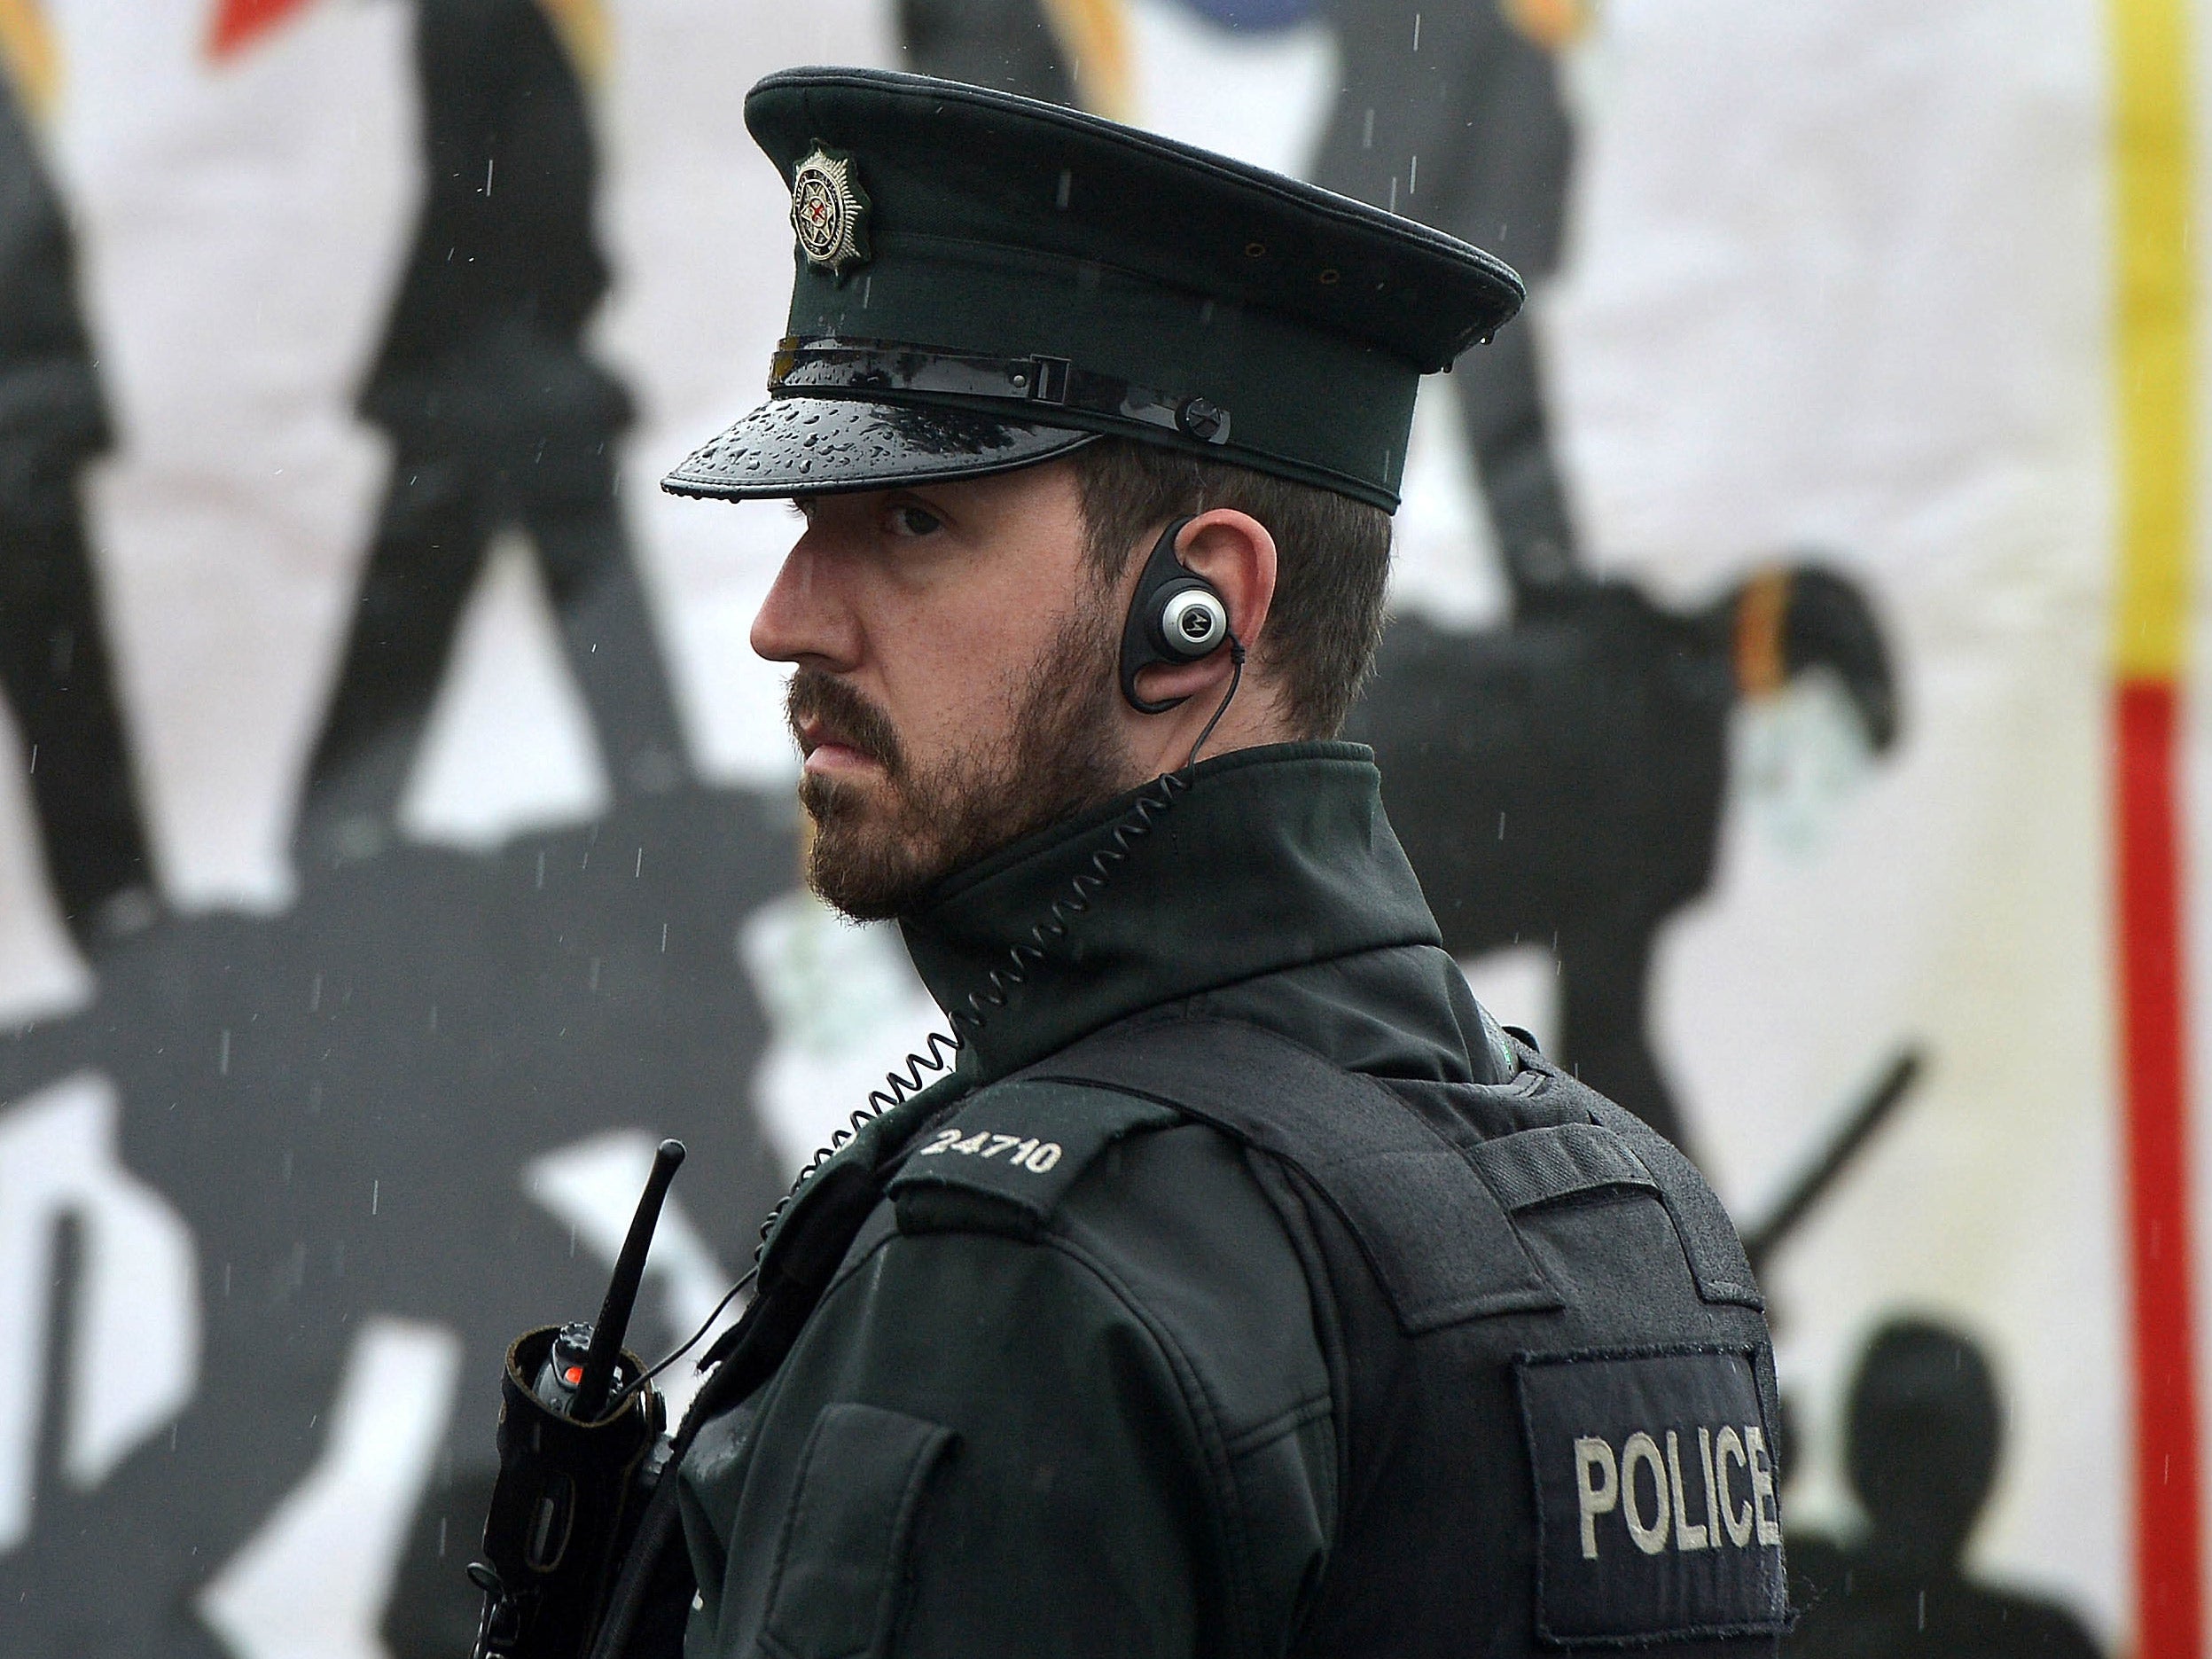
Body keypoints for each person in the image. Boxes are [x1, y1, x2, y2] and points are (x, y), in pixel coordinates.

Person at [601, 67, 1786, 1658]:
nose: (787, 617)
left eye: (912, 524)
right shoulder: (1651, 1236)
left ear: (1200, 604)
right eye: (812, 524)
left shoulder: (1034, 1280)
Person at [296, 0, 688, 869]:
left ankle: (339, 832)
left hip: (488, 371)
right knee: (535, 592)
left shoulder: (472, 18)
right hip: (508, 364)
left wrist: (421, 350)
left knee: (424, 597)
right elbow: (524, 180)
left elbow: (477, 190)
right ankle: (658, 790)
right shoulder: (487, 19)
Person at [0, 65, 159, 947]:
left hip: (18, 454)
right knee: (68, 697)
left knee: (67, 700)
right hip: (24, 445)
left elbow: (29, 246)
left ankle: (118, 914)